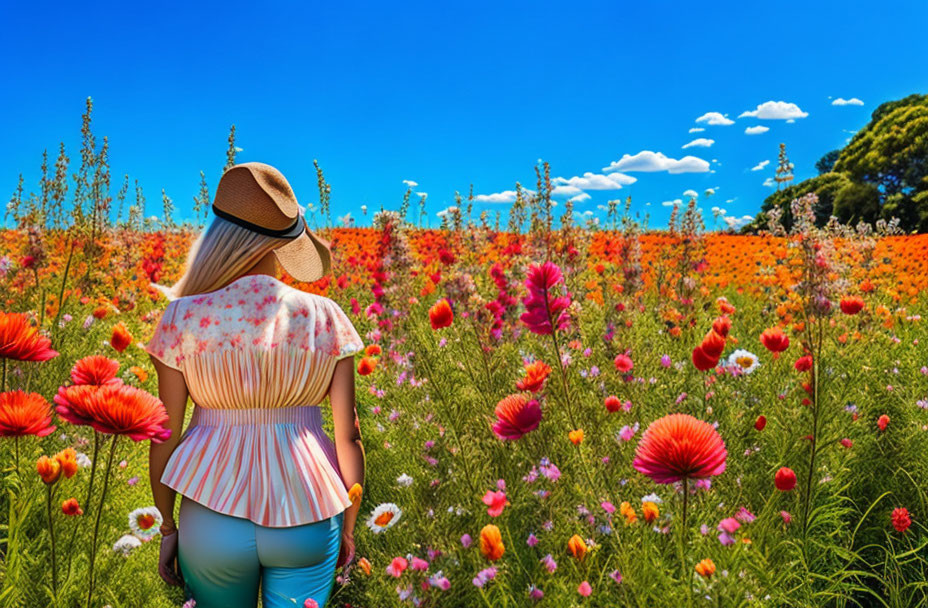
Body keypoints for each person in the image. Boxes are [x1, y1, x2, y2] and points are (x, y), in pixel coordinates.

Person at [144, 162, 366, 608]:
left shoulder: (182, 318)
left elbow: (163, 437)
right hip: (309, 507)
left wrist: (168, 528)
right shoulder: (324, 316)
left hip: (211, 513)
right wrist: (349, 524)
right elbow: (349, 435)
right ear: (285, 243)